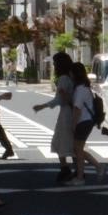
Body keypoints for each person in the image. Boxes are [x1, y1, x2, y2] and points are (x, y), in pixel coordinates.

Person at [34, 52, 79, 184]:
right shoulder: (71, 77)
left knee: (61, 141)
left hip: (66, 114)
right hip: (72, 112)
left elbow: (59, 100)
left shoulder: (63, 79)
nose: (53, 65)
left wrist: (42, 106)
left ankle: (66, 169)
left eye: (55, 63)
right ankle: (76, 169)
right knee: (71, 142)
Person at [69, 61, 104, 183]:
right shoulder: (85, 87)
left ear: (74, 74)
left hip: (82, 122)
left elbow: (77, 109)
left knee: (77, 150)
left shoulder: (80, 90)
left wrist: (73, 125)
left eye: (71, 72)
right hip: (87, 121)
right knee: (77, 149)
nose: (70, 75)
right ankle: (97, 167)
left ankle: (81, 176)